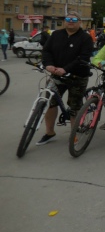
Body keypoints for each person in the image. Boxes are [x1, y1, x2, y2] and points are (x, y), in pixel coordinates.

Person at [36, 11, 94, 145]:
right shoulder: (56, 34)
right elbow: (46, 51)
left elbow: (83, 58)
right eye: (68, 19)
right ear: (64, 21)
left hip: (77, 76)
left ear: (80, 22)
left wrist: (65, 69)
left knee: (74, 107)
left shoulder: (85, 38)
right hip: (56, 75)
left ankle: (74, 135)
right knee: (50, 102)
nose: (71, 21)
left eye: (74, 19)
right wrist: (48, 64)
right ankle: (49, 132)